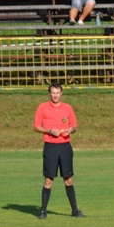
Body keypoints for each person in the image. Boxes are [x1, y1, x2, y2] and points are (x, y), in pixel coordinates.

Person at [32, 83, 84, 219]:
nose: (55, 95)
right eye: (53, 93)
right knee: (49, 180)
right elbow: (36, 126)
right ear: (49, 94)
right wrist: (49, 130)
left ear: (61, 93)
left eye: (58, 92)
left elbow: (74, 126)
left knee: (69, 179)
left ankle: (75, 210)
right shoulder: (42, 107)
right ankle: (43, 211)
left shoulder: (68, 107)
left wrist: (71, 130)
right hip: (51, 147)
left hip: (65, 147)